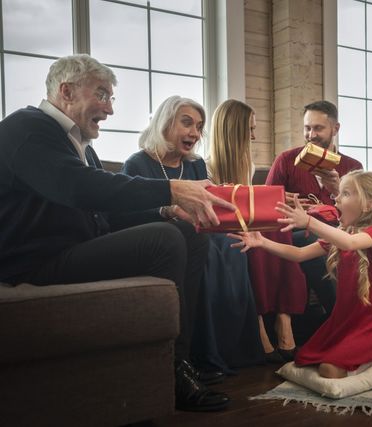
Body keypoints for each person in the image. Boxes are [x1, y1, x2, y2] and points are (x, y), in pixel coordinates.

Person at [0, 54, 235, 412]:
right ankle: (172, 370)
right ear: (67, 91)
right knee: (166, 239)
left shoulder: (80, 145)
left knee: (186, 232)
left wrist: (165, 210)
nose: (109, 109)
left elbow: (104, 215)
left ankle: (181, 361)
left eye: (111, 98)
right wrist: (169, 190)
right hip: (33, 264)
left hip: (75, 250)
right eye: (103, 95)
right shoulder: (26, 128)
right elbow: (77, 187)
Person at [121, 96, 264, 374]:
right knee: (208, 247)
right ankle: (202, 354)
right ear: (164, 123)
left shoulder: (197, 165)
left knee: (233, 242)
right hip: (168, 239)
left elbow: (212, 207)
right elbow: (124, 217)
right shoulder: (137, 164)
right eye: (186, 123)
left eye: (199, 127)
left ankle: (229, 348)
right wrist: (170, 210)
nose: (194, 133)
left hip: (205, 234)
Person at [230, 170, 372, 378]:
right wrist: (262, 242)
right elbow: (299, 254)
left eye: (345, 194)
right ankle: (361, 359)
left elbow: (350, 244)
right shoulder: (344, 234)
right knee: (304, 359)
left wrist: (309, 221)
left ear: (368, 204)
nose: (336, 198)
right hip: (346, 322)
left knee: (328, 370)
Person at [205, 99, 306, 364]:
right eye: (249, 129)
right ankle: (259, 323)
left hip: (243, 225)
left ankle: (284, 319)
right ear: (233, 130)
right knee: (255, 238)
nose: (253, 135)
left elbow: (248, 207)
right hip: (220, 229)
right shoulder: (205, 166)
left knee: (279, 227)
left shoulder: (245, 165)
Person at [265, 100, 363, 322]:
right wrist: (284, 202)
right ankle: (343, 319)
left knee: (324, 238)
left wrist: (338, 189)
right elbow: (267, 204)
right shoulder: (286, 160)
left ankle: (343, 319)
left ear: (335, 129)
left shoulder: (352, 166)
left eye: (318, 128)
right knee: (308, 238)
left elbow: (363, 214)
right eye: (307, 128)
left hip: (339, 231)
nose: (311, 135)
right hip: (299, 231)